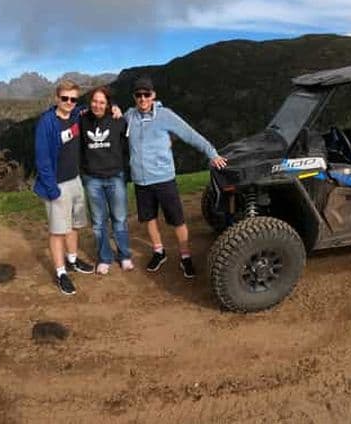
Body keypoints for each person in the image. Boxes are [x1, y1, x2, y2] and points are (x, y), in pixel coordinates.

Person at [125, 76, 227, 279]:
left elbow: (190, 134)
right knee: (149, 218)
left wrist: (212, 153)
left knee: (177, 220)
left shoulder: (165, 115)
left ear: (153, 95)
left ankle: (185, 256)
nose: (143, 98)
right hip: (141, 181)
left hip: (164, 178)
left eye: (146, 94)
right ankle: (158, 251)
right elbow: (108, 121)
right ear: (134, 97)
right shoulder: (129, 116)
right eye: (139, 95)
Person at [33, 80, 95, 295]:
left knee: (75, 225)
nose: (69, 102)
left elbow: (91, 109)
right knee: (58, 231)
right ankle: (61, 273)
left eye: (73, 99)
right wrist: (52, 189)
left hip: (75, 180)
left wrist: (113, 108)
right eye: (65, 98)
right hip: (56, 185)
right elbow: (42, 160)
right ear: (56, 98)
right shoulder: (47, 123)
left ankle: (73, 260)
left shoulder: (77, 114)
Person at [80, 86, 134, 274]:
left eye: (102, 102)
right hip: (92, 179)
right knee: (98, 222)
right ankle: (104, 258)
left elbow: (128, 146)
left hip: (115, 176)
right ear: (90, 102)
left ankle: (124, 255)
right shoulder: (82, 119)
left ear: (108, 104)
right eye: (94, 101)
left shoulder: (118, 120)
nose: (97, 105)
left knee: (119, 219)